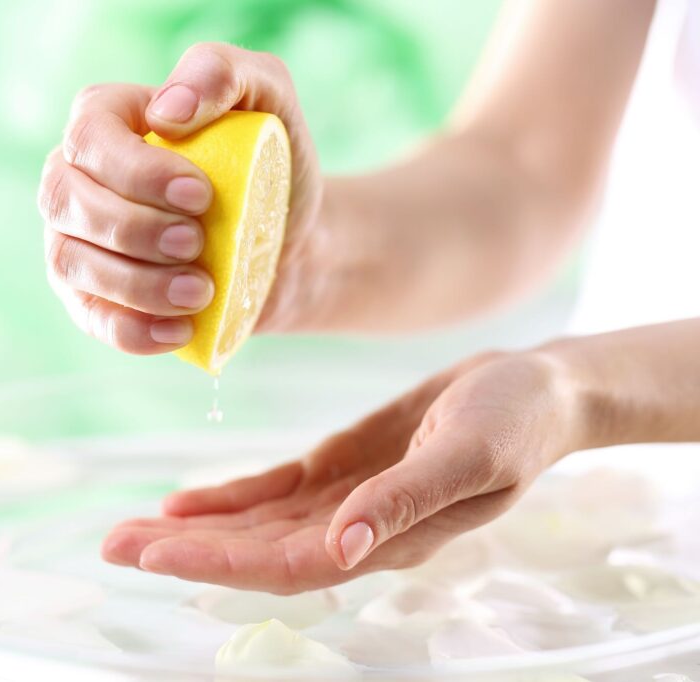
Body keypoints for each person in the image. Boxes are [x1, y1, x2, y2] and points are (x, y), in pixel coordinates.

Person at [37, 0, 700, 594]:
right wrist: (302, 255)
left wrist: (586, 391)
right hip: (612, 530)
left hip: (602, 465)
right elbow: (522, 167)